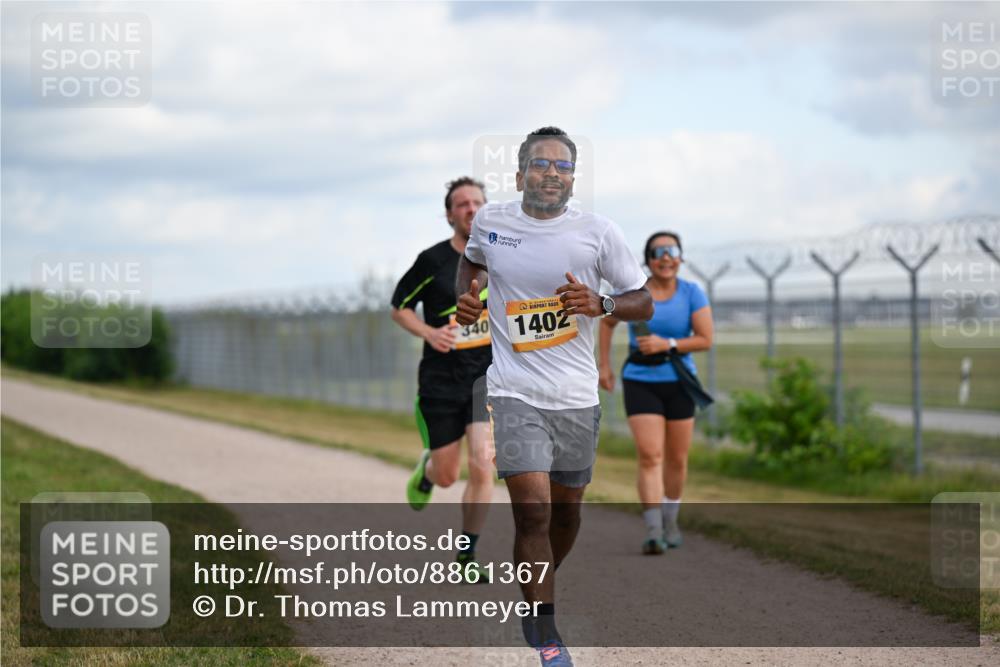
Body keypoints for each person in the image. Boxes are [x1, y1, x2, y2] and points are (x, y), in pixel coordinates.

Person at [456, 127, 653, 667]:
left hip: (575, 397)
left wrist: (601, 303)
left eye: (563, 167)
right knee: (533, 513)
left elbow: (644, 302)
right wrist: (465, 296)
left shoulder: (598, 232)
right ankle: (546, 633)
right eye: (541, 165)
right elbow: (471, 261)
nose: (552, 174)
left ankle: (535, 584)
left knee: (566, 514)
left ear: (573, 178)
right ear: (520, 174)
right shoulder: (493, 222)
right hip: (513, 391)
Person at [392, 176, 494, 582]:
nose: (470, 209)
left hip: (486, 377)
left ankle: (467, 557)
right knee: (449, 474)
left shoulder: (501, 258)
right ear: (449, 214)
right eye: (462, 204)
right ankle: (428, 469)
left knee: (483, 462)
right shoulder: (431, 260)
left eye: (477, 202)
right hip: (440, 378)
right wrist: (430, 333)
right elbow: (399, 307)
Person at [597, 231, 714, 554]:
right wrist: (603, 367)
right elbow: (607, 324)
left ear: (680, 258)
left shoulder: (692, 293)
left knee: (676, 459)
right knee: (650, 456)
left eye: (673, 250)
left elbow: (705, 339)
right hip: (640, 379)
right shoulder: (637, 292)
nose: (666, 257)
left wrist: (669, 344)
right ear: (648, 260)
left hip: (680, 381)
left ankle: (671, 520)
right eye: (659, 251)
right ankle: (653, 530)